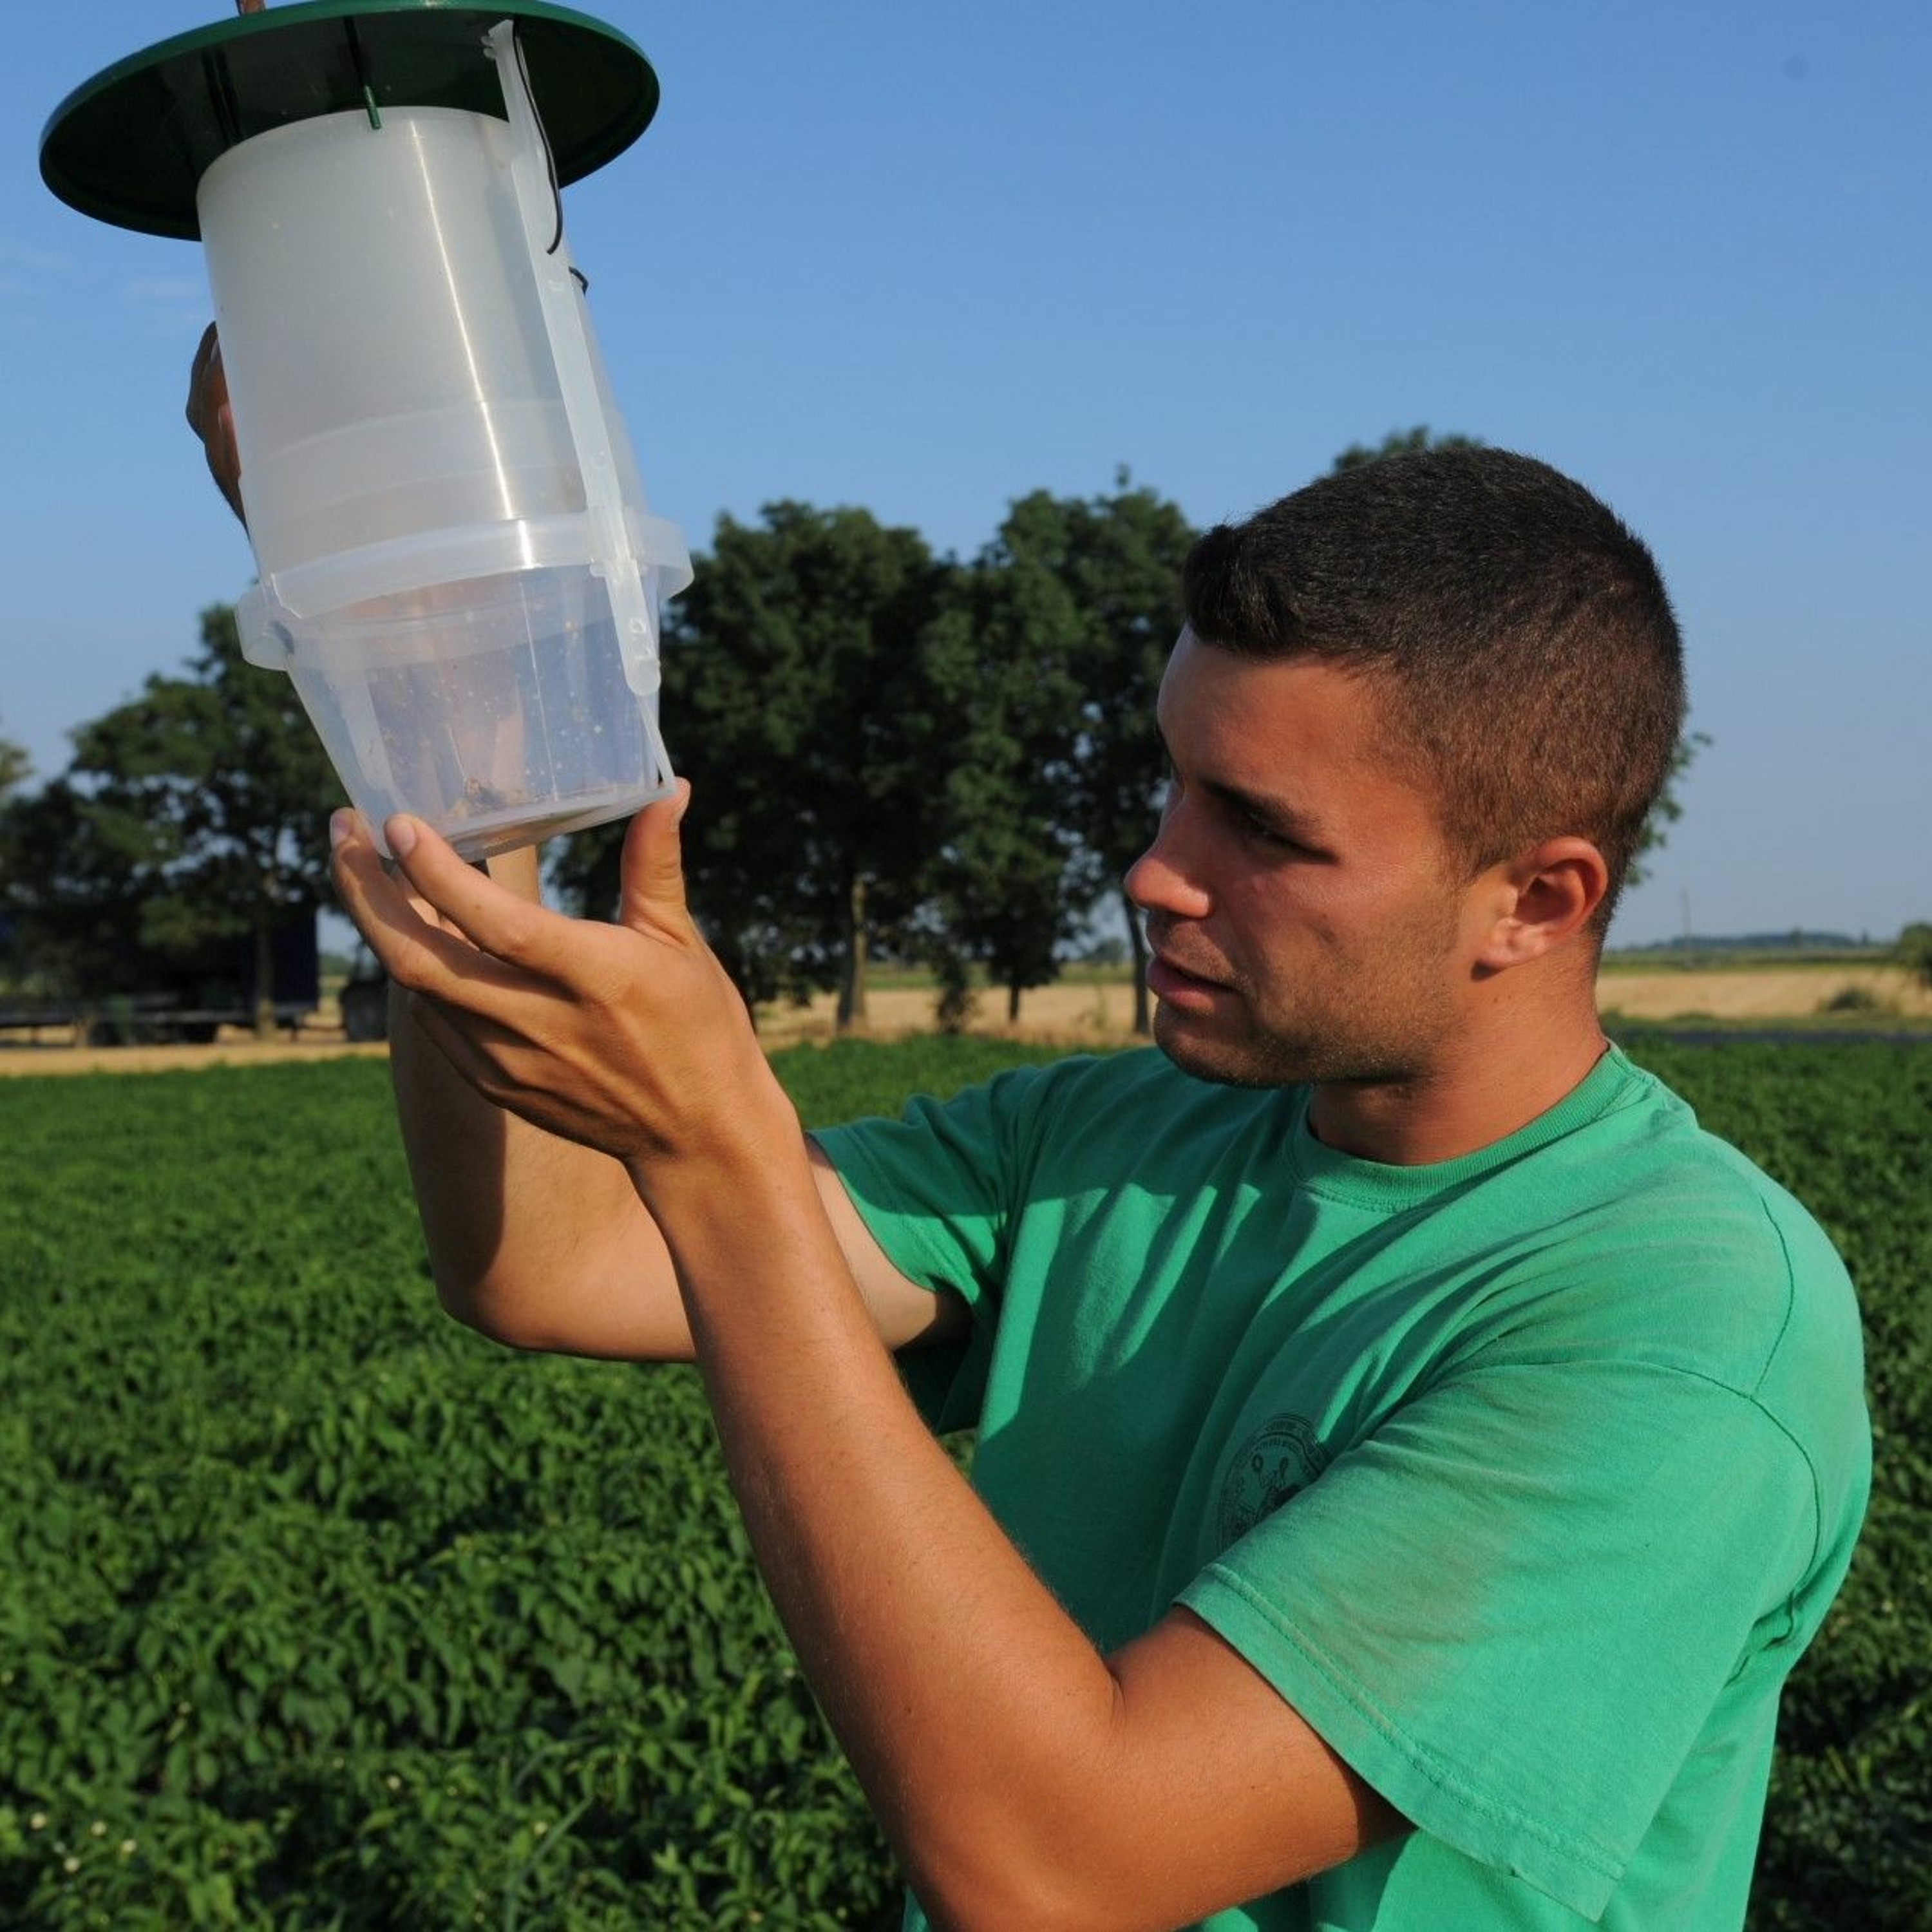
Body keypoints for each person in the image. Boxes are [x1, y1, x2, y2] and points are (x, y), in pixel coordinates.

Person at [189, 345, 1868, 1929]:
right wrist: (427, 665)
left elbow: (1056, 1870)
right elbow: (550, 1262)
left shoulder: (1677, 1332)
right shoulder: (1116, 1128)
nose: (1152, 871)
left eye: (1263, 832)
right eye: (1174, 784)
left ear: (1541, 897)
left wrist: (716, 1158)